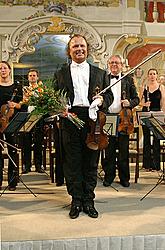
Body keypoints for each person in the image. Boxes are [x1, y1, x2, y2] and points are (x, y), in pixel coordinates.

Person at [53, 34, 113, 219]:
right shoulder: (60, 72)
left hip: (92, 120)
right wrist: (59, 108)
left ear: (87, 49)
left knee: (91, 163)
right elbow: (55, 96)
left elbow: (109, 97)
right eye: (75, 46)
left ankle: (89, 200)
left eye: (82, 46)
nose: (79, 49)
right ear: (69, 51)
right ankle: (76, 200)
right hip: (70, 118)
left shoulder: (100, 73)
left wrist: (102, 99)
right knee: (72, 163)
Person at [102, 55, 140, 188]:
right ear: (108, 64)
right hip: (108, 118)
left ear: (121, 65)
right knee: (109, 150)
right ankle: (109, 177)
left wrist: (129, 102)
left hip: (124, 119)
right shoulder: (104, 79)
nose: (114, 65)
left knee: (123, 150)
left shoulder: (128, 79)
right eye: (112, 62)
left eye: (117, 63)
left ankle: (124, 178)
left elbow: (137, 99)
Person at [0, 61, 23, 191]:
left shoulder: (16, 87)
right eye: (0, 68)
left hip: (12, 121)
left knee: (13, 150)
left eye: (5, 68)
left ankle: (12, 181)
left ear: (9, 70)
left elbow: (22, 105)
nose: (2, 70)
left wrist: (16, 105)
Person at [140, 68, 165, 171]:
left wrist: (163, 113)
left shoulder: (161, 87)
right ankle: (146, 165)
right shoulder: (144, 87)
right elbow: (140, 101)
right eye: (150, 74)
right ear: (148, 76)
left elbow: (163, 101)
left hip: (157, 113)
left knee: (156, 140)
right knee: (146, 139)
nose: (152, 76)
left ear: (157, 76)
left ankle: (155, 165)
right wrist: (144, 104)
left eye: (154, 74)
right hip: (146, 113)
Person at [22, 69, 45, 174]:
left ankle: (38, 165)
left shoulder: (42, 89)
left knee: (38, 142)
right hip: (27, 118)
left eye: (34, 75)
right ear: (28, 78)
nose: (32, 77)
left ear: (37, 77)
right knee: (26, 143)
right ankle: (26, 166)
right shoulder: (24, 89)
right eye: (30, 75)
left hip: (38, 117)